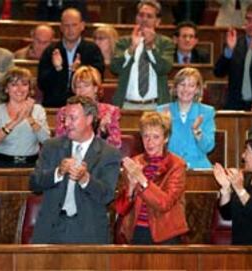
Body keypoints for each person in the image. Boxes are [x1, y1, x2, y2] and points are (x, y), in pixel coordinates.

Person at [29, 95, 121, 244]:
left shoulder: (109, 153)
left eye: (72, 118)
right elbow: (34, 183)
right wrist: (57, 172)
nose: (66, 123)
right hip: (51, 230)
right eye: (65, 118)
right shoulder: (51, 147)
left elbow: (107, 195)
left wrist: (86, 180)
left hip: (89, 232)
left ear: (89, 119)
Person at [115, 112, 188, 244]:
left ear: (165, 138)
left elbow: (164, 203)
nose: (150, 142)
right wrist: (130, 189)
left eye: (155, 137)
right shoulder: (134, 162)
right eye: (146, 136)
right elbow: (121, 209)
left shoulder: (177, 165)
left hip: (166, 234)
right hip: (136, 231)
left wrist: (142, 180)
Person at [111, 0, 174, 110]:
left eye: (149, 16)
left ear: (157, 21)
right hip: (127, 105)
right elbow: (115, 68)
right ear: (136, 18)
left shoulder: (165, 43)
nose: (144, 19)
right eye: (141, 15)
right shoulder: (123, 42)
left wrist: (150, 47)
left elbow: (164, 68)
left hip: (155, 106)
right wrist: (131, 48)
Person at [37, 8, 104, 108]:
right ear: (61, 27)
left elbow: (98, 79)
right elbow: (42, 84)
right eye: (66, 25)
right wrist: (58, 69)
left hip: (85, 105)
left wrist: (80, 71)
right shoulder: (51, 51)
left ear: (82, 26)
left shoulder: (92, 50)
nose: (70, 29)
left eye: (74, 25)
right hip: (55, 105)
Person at [0, 67, 50, 168]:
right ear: (6, 88)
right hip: (3, 165)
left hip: (32, 166)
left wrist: (30, 118)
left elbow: (46, 140)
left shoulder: (38, 110)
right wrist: (15, 121)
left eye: (24, 84)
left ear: (29, 88)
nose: (20, 89)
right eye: (14, 85)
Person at [157, 67, 215, 169]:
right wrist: (166, 127)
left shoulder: (206, 112)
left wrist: (197, 131)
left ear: (197, 89)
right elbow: (156, 147)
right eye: (182, 84)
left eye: (191, 85)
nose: (185, 89)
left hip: (198, 168)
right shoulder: (162, 111)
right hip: (170, 168)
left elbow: (208, 147)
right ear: (175, 88)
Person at [55, 66, 121, 149]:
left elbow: (116, 146)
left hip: (99, 159)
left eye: (86, 86)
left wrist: (104, 131)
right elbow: (58, 143)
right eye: (78, 87)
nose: (82, 91)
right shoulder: (64, 112)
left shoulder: (110, 111)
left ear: (95, 88)